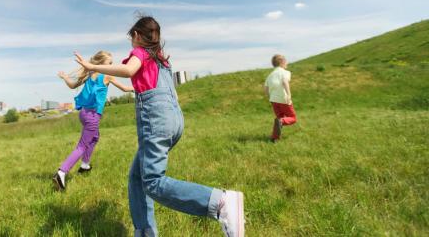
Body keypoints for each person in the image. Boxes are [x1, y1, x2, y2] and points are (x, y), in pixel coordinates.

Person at [74, 16, 244, 237]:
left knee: (153, 181)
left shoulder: (139, 53)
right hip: (174, 121)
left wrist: (91, 66)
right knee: (137, 177)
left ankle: (220, 202)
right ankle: (145, 232)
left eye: (131, 38)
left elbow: (128, 70)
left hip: (156, 122)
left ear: (137, 36)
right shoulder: (161, 59)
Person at [54, 51, 134, 191]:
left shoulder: (89, 74)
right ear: (102, 63)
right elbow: (125, 88)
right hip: (92, 116)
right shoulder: (107, 75)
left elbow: (72, 86)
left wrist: (65, 77)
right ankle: (61, 172)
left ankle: (85, 166)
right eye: (109, 63)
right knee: (82, 146)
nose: (111, 65)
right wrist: (140, 87)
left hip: (84, 113)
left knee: (95, 137)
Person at [264, 54, 297, 142]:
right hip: (283, 99)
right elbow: (285, 82)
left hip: (273, 100)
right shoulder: (285, 72)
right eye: (286, 61)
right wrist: (289, 95)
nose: (287, 63)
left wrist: (269, 98)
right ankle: (281, 122)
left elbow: (266, 89)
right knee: (292, 118)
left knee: (279, 119)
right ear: (282, 62)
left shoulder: (270, 75)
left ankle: (274, 138)